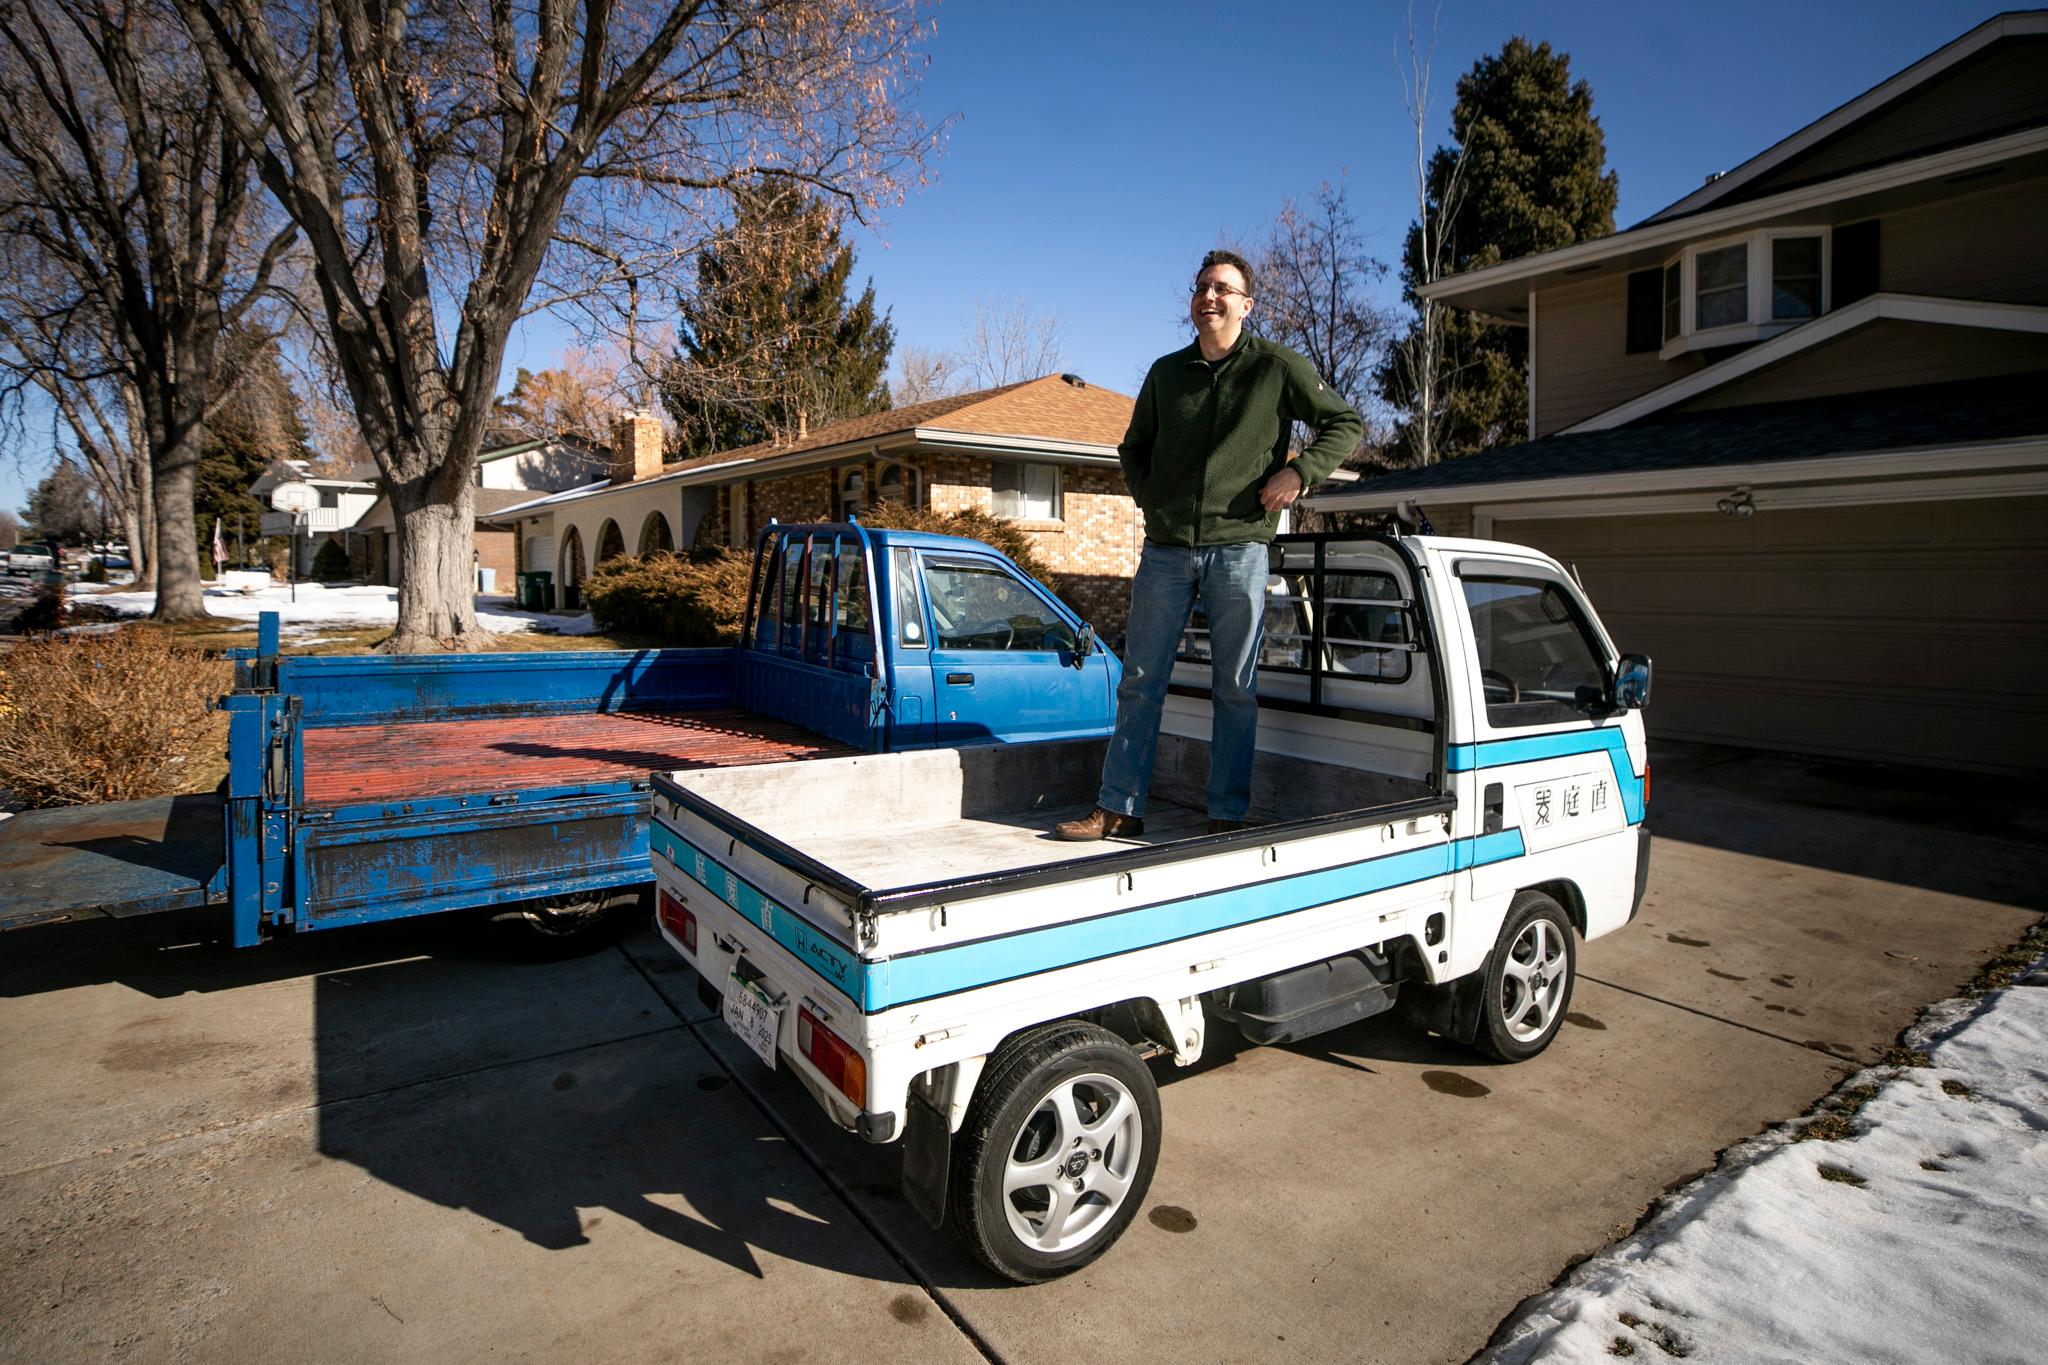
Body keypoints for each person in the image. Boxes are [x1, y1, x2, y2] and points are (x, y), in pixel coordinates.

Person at [1056, 250, 1362, 841]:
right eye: (1201, 287)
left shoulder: (1276, 367)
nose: (1209, 297)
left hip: (1240, 549)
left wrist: (1300, 474)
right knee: (1140, 680)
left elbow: (1345, 422)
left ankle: (1225, 814)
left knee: (1235, 686)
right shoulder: (1167, 375)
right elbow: (1133, 449)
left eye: (1222, 288)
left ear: (1246, 304)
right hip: (1167, 550)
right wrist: (1154, 501)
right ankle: (1119, 804)